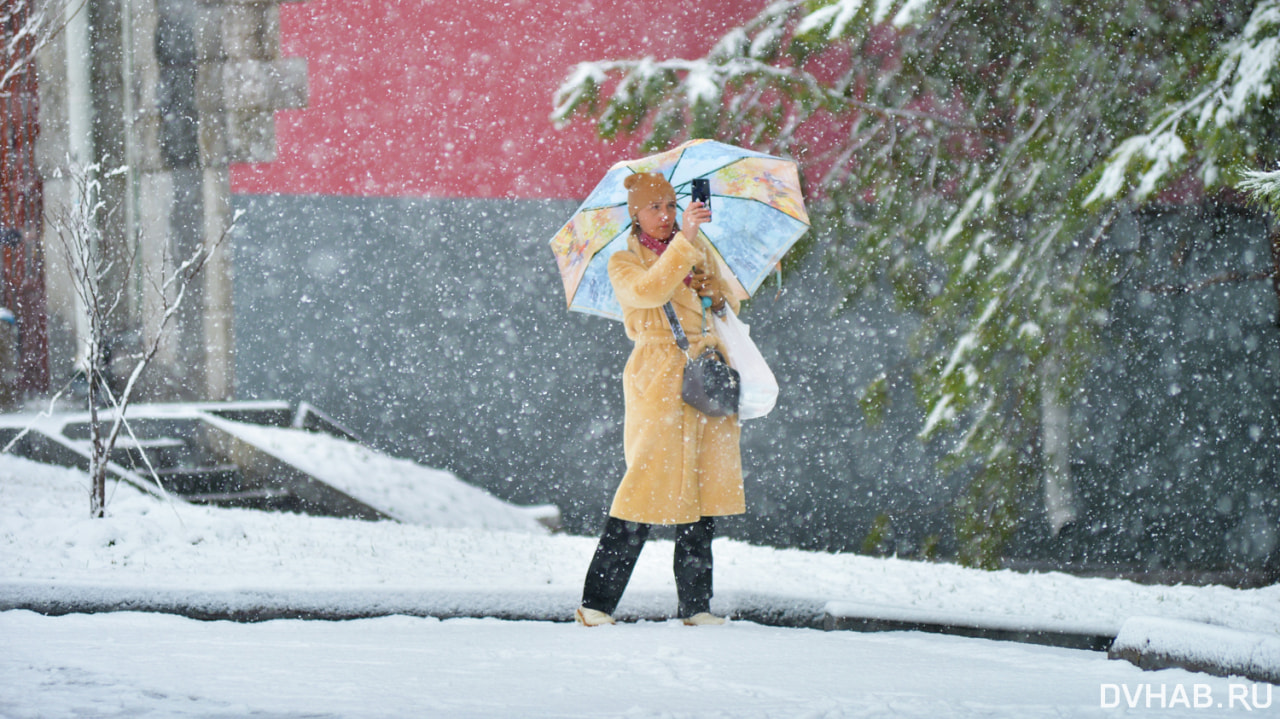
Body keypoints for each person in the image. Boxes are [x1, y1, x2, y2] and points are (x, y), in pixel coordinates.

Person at [575, 172, 744, 627]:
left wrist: (717, 294)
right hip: (659, 377)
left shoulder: (697, 249)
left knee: (701, 490)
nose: (667, 215)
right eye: (656, 207)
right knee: (644, 488)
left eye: (672, 205)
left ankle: (697, 606)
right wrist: (685, 244)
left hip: (704, 373)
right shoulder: (623, 262)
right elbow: (649, 291)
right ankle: (596, 605)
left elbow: (730, 304)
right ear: (635, 213)